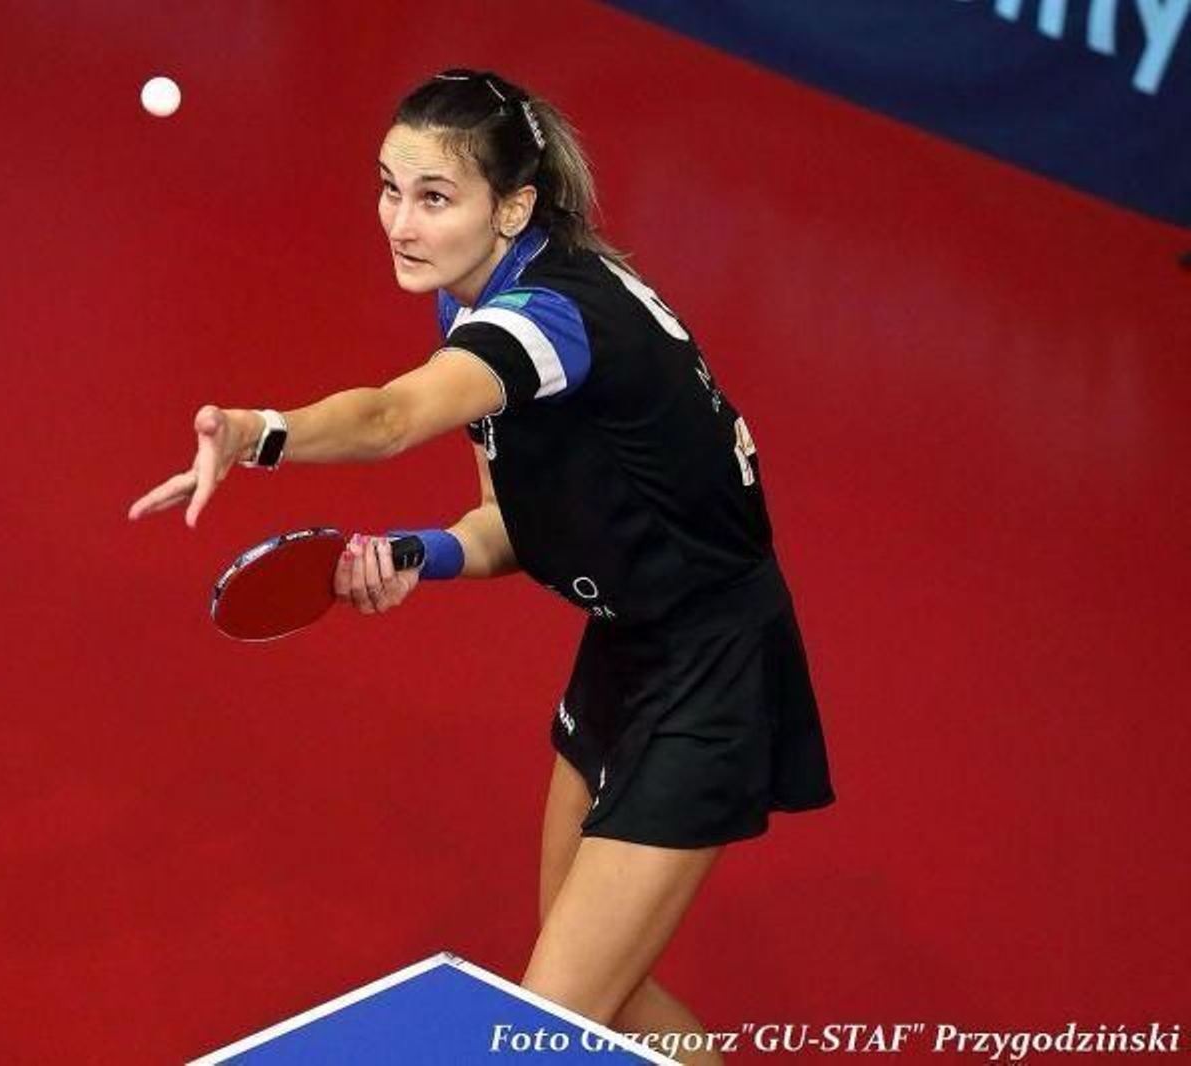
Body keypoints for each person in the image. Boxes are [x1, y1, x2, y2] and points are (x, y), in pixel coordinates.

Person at [129, 69, 834, 1063]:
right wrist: (418, 553)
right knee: (602, 995)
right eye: (387, 188)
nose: (399, 223)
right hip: (626, 645)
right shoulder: (479, 301)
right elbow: (511, 525)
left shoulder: (546, 322)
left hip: (712, 668)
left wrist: (257, 432)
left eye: (433, 198)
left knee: (541, 1035)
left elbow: (386, 417)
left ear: (511, 205)